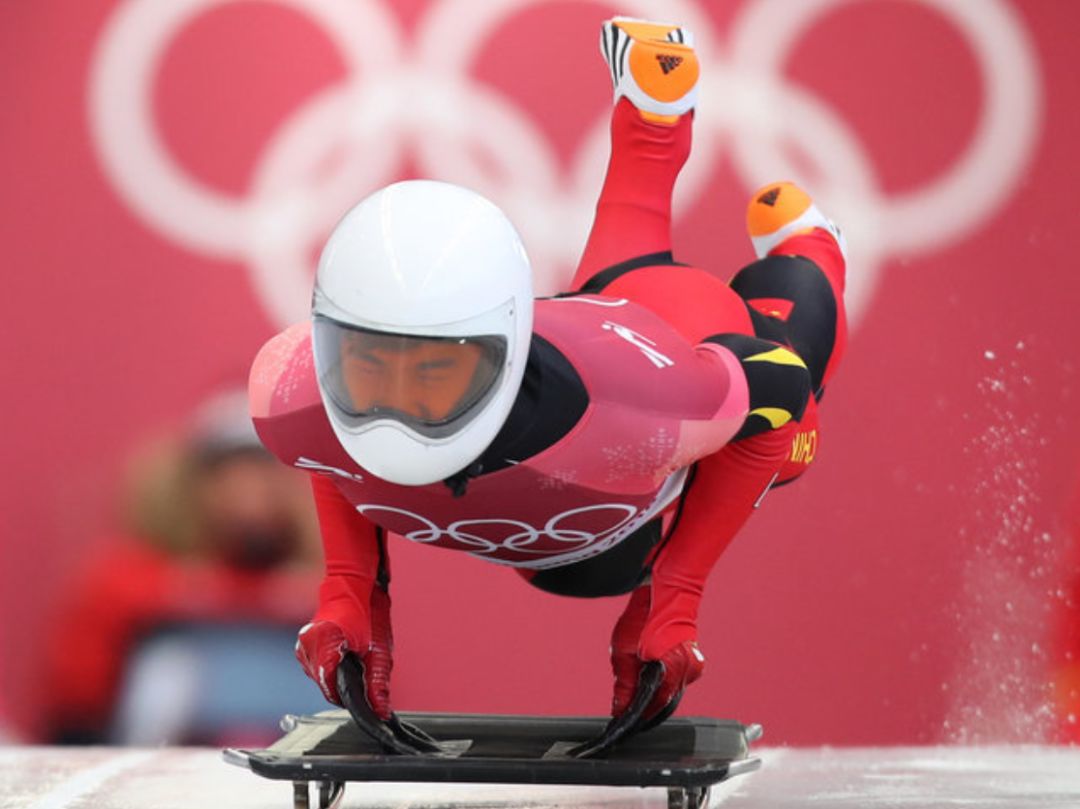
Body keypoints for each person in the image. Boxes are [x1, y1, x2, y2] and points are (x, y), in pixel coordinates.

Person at [249, 17, 847, 748]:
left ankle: (810, 250)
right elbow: (331, 443)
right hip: (608, 329)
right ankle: (654, 116)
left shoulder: (634, 416)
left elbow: (777, 386)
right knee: (623, 278)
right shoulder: (294, 392)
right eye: (366, 368)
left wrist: (676, 592)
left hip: (675, 348)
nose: (396, 405)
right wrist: (346, 593)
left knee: (790, 433)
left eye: (433, 373)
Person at [39, 389, 324, 745]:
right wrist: (208, 593)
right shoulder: (135, 570)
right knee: (169, 666)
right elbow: (77, 690)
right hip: (156, 757)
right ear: (191, 486)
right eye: (229, 477)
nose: (249, 493)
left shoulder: (317, 579)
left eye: (263, 474)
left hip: (283, 755)